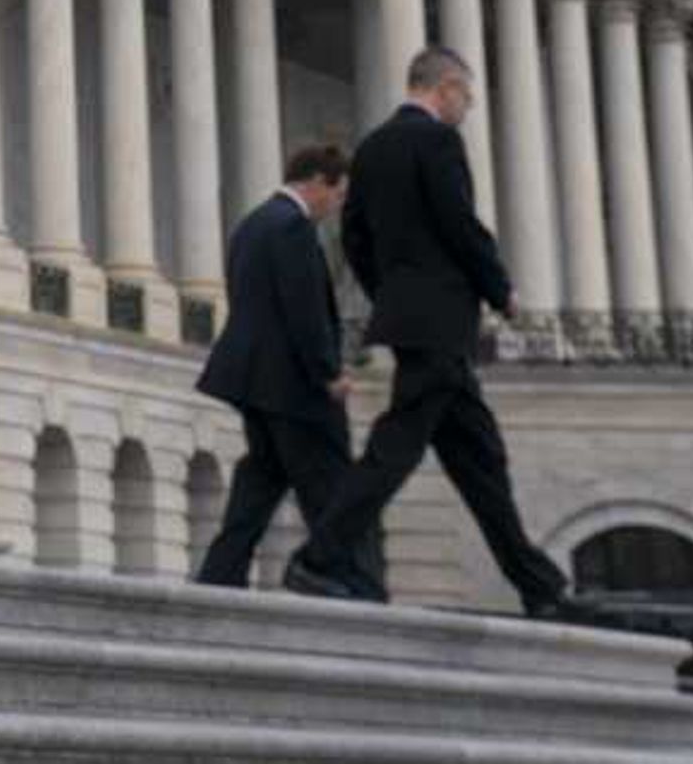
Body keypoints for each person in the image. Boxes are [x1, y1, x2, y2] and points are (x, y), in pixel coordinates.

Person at [287, 47, 584, 618]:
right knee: (394, 447)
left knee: (480, 459)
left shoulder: (371, 148)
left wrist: (392, 294)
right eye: (466, 97)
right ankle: (320, 557)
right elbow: (459, 222)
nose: (467, 109)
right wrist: (501, 291)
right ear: (444, 87)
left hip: (412, 318)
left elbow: (354, 240)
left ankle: (538, 586)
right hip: (442, 319)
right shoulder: (438, 142)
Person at [189, 141, 356, 587]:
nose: (337, 208)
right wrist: (328, 372)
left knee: (263, 477)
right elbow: (303, 310)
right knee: (329, 481)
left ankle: (220, 573)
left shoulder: (253, 223)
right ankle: (338, 575)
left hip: (254, 380)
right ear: (320, 182)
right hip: (289, 383)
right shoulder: (292, 228)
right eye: (339, 195)